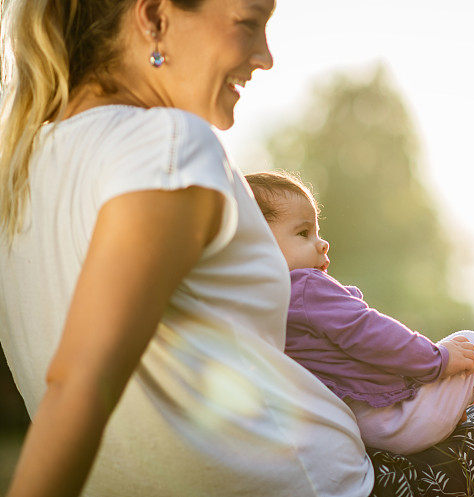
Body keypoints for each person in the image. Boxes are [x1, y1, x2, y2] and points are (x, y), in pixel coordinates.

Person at [0, 1, 376, 496]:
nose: (265, 57)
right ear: (155, 17)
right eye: (249, 23)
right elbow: (80, 382)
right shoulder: (170, 145)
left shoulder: (20, 169)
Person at [244, 171, 474, 454]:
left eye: (318, 231)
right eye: (303, 233)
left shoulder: (262, 306)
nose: (322, 243)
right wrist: (436, 360)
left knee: (455, 356)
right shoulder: (305, 287)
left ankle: (460, 403)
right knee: (472, 348)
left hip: (367, 427)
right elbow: (370, 334)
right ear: (255, 244)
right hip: (394, 419)